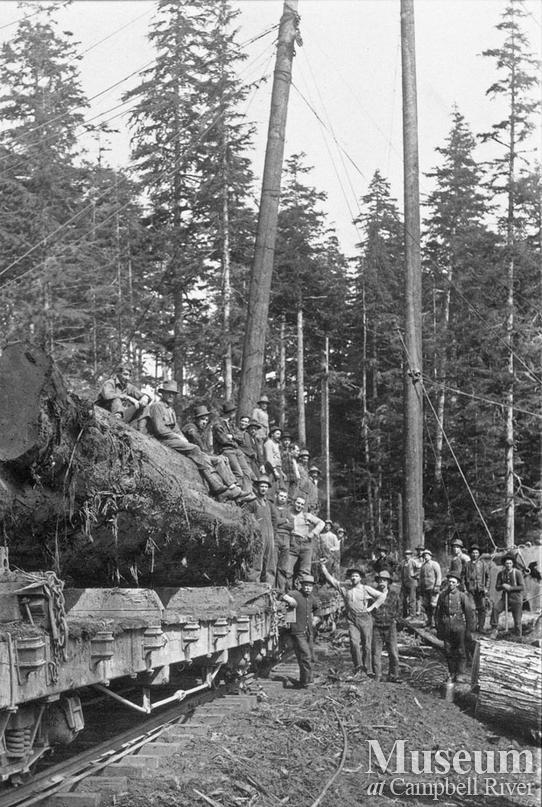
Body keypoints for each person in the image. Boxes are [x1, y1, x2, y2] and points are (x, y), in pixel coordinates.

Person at [147, 382, 241, 501]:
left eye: (173, 394)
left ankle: (231, 486)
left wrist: (183, 439)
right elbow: (160, 429)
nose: (171, 396)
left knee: (202, 453)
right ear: (163, 393)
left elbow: (176, 428)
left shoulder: (170, 409)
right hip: (163, 440)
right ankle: (217, 486)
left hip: (173, 439)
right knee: (195, 449)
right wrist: (178, 438)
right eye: (169, 393)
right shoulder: (157, 406)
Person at [320, 562, 384, 677]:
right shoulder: (345, 588)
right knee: (354, 643)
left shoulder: (365, 588)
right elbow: (331, 580)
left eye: (356, 576)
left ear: (360, 578)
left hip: (365, 618)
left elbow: (381, 596)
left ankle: (367, 669)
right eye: (352, 576)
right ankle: (358, 667)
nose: (354, 578)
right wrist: (323, 567)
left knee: (367, 645)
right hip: (351, 619)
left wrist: (371, 608)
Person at [280, 575, 319, 688]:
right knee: (305, 655)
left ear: (312, 587)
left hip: (309, 632)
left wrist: (316, 618)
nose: (308, 588)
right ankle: (308, 682)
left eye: (310, 586)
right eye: (306, 585)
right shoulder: (295, 594)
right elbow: (279, 594)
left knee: (309, 656)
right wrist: (288, 598)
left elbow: (317, 609)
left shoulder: (312, 598)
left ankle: (304, 680)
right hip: (297, 631)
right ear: (301, 585)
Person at [435, 572, 475, 682]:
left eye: (453, 582)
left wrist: (469, 630)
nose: (451, 584)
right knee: (448, 650)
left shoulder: (462, 596)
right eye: (449, 582)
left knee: (461, 650)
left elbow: (469, 613)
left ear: (457, 584)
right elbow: (438, 612)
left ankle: (461, 673)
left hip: (459, 626)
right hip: (446, 625)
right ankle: (452, 672)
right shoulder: (443, 595)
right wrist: (438, 627)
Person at [213, 401, 255, 493]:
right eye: (233, 412)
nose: (234, 414)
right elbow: (223, 440)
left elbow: (241, 438)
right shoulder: (218, 424)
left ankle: (248, 493)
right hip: (226, 450)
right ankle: (237, 494)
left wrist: (232, 437)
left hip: (236, 450)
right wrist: (233, 439)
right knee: (238, 473)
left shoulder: (231, 424)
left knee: (247, 472)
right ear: (230, 412)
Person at [243, 477, 276, 585]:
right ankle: (253, 586)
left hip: (270, 536)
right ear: (257, 487)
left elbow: (274, 519)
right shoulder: (252, 502)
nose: (263, 489)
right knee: (256, 561)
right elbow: (246, 517)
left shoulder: (269, 504)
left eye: (266, 487)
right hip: (258, 536)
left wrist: (273, 532)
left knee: (270, 563)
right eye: (262, 486)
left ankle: (269, 587)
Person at [371, 570, 401, 683]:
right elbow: (369, 609)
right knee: (376, 653)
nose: (382, 582)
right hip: (377, 627)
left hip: (390, 627)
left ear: (388, 582)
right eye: (380, 580)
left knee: (393, 653)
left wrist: (395, 620)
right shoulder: (373, 595)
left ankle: (394, 675)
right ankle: (377, 676)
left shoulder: (394, 595)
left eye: (384, 580)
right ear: (377, 581)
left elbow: (399, 609)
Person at [289, 495, 325, 580]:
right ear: (294, 503)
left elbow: (321, 523)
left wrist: (313, 533)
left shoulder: (306, 515)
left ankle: (302, 592)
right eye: (298, 503)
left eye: (302, 504)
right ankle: (288, 592)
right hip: (292, 543)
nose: (299, 506)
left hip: (306, 544)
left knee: (304, 571)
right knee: (288, 570)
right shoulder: (289, 514)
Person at [490, 555, 525, 636]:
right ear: (504, 564)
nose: (508, 565)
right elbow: (497, 587)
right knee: (495, 608)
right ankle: (494, 630)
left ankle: (518, 636)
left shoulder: (517, 573)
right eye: (506, 563)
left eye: (510, 563)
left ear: (512, 564)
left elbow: (522, 587)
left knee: (517, 619)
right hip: (505, 598)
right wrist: (503, 586)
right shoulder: (501, 574)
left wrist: (510, 588)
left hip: (516, 598)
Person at [271, 488, 294, 591]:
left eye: (285, 497)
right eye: (281, 496)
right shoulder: (272, 508)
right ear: (277, 496)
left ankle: (281, 591)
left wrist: (280, 523)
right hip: (275, 537)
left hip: (286, 540)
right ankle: (271, 589)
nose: (283, 498)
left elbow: (292, 526)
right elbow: (273, 522)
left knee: (283, 567)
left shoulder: (288, 511)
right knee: (272, 565)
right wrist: (284, 520)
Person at [465, 544, 490, 632]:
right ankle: (473, 626)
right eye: (473, 553)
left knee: (482, 608)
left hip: (481, 589)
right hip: (471, 589)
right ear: (470, 554)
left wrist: (486, 588)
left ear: (479, 554)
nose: (474, 554)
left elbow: (488, 577)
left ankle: (481, 627)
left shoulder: (483, 564)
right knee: (472, 608)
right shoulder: (467, 565)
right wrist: (465, 588)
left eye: (476, 553)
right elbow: (463, 577)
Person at [418, 549, 442, 628]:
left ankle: (435, 622)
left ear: (431, 556)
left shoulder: (434, 564)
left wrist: (437, 586)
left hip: (433, 588)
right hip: (425, 589)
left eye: (427, 555)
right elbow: (421, 578)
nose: (426, 557)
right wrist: (420, 587)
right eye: (424, 555)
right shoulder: (423, 566)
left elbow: (439, 576)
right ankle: (428, 620)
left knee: (433, 605)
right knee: (426, 605)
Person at [399, 548, 418, 618]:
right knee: (404, 599)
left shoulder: (413, 562)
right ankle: (404, 614)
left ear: (411, 555)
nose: (407, 556)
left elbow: (419, 569)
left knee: (412, 599)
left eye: (408, 554)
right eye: (406, 554)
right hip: (404, 582)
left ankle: (412, 614)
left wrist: (414, 574)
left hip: (412, 582)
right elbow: (399, 569)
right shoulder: (403, 562)